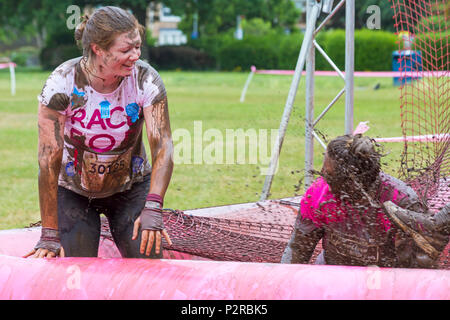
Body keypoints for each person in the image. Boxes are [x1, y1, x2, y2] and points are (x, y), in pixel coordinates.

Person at [25, 6, 174, 259]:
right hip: (74, 192)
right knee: (78, 269)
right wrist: (49, 233)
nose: (136, 55)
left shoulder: (145, 80)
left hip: (131, 187)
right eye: (126, 50)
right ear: (98, 49)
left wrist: (154, 205)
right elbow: (48, 160)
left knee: (148, 263)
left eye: (138, 46)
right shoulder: (62, 83)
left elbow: (163, 148)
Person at [281, 134, 449, 268]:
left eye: (330, 175)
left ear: (352, 183)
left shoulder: (400, 201)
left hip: (384, 282)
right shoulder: (319, 195)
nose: (322, 174)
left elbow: (417, 267)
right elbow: (297, 250)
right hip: (331, 277)